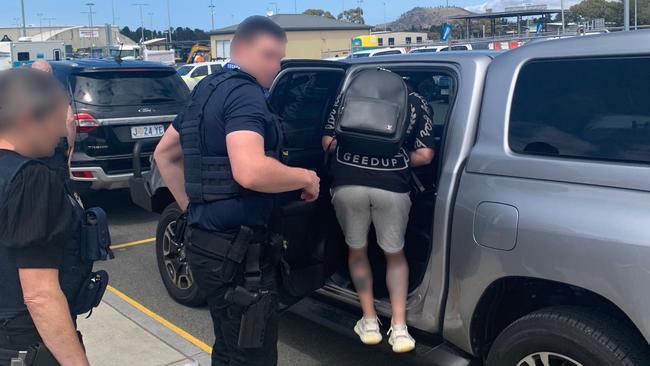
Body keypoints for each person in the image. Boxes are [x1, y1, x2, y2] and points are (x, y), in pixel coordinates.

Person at [154, 16, 320, 366]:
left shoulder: (205, 89)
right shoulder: (246, 95)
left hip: (205, 245)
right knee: (252, 355)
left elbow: (164, 154)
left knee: (229, 349)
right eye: (269, 56)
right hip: (240, 257)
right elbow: (250, 171)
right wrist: (305, 178)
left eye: (279, 57)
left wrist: (192, 207)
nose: (276, 67)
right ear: (241, 49)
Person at [321, 84, 436, 353]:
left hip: (348, 182)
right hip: (393, 186)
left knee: (357, 251)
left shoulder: (347, 95)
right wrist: (392, 159)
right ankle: (399, 328)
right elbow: (426, 154)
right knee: (395, 255)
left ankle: (369, 321)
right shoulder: (417, 100)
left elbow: (328, 142)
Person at [0, 69, 90, 366]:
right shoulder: (32, 180)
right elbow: (40, 295)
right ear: (28, 118)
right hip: (24, 339)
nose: (62, 131)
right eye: (56, 120)